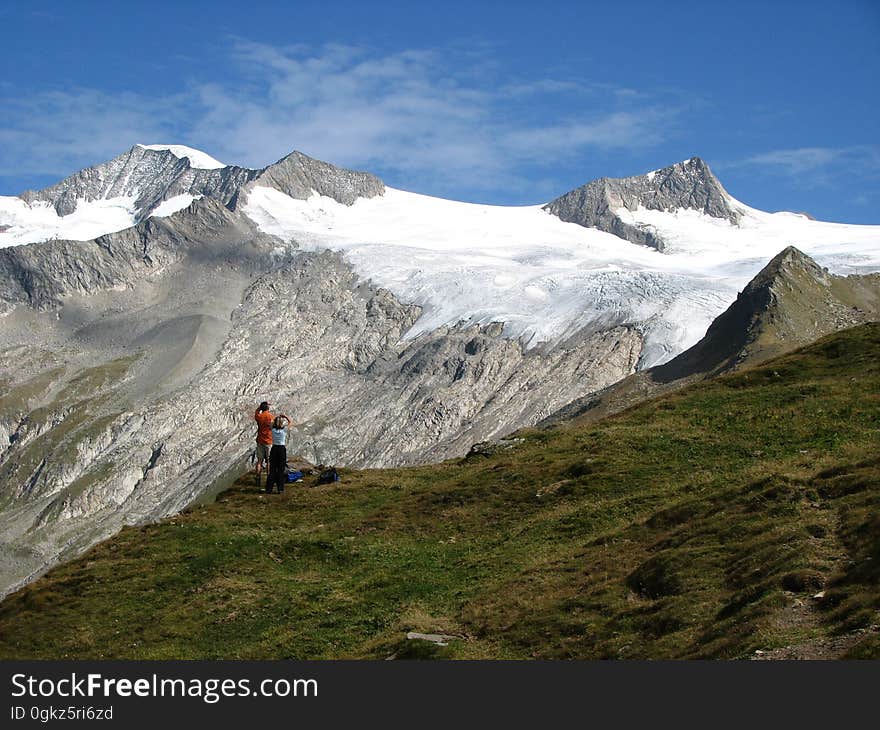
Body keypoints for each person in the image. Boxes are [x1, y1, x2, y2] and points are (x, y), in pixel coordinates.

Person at [266, 414, 292, 494]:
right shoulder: (284, 430)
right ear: (281, 423)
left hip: (274, 449)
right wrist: (285, 416)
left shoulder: (273, 430)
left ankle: (269, 488)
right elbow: (290, 422)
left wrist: (275, 418)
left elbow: (270, 423)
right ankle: (280, 489)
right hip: (281, 449)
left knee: (272, 469)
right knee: (281, 469)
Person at [254, 401, 277, 487]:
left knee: (259, 461)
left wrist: (259, 408)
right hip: (269, 441)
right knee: (269, 461)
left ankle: (258, 477)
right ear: (268, 408)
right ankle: (269, 478)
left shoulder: (259, 416)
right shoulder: (271, 417)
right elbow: (274, 426)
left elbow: (256, 413)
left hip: (260, 440)